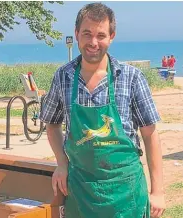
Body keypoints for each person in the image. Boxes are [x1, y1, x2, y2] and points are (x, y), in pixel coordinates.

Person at [40, 3, 165, 218]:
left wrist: (158, 191)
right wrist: (61, 163)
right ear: (77, 34)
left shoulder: (131, 77)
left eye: (101, 35)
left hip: (126, 192)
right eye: (87, 34)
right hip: (81, 191)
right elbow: (51, 124)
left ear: (111, 36)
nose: (93, 42)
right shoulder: (63, 77)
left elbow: (150, 136)